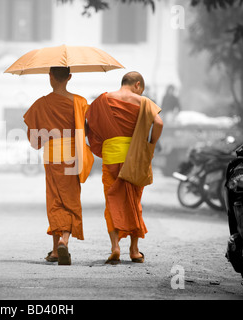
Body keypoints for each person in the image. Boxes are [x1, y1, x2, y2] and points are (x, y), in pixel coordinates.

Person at [86, 71, 163, 265]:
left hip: (111, 156)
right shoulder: (143, 102)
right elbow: (159, 123)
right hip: (135, 158)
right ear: (137, 85)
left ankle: (115, 248)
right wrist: (150, 145)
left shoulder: (103, 100)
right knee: (133, 202)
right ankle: (134, 250)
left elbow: (89, 124)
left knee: (112, 202)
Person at [24, 67, 93, 266]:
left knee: (55, 199)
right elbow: (87, 130)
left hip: (52, 156)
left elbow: (34, 140)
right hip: (73, 155)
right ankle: (63, 241)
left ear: (50, 77)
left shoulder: (41, 103)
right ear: (70, 77)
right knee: (70, 199)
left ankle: (56, 250)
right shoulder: (80, 103)